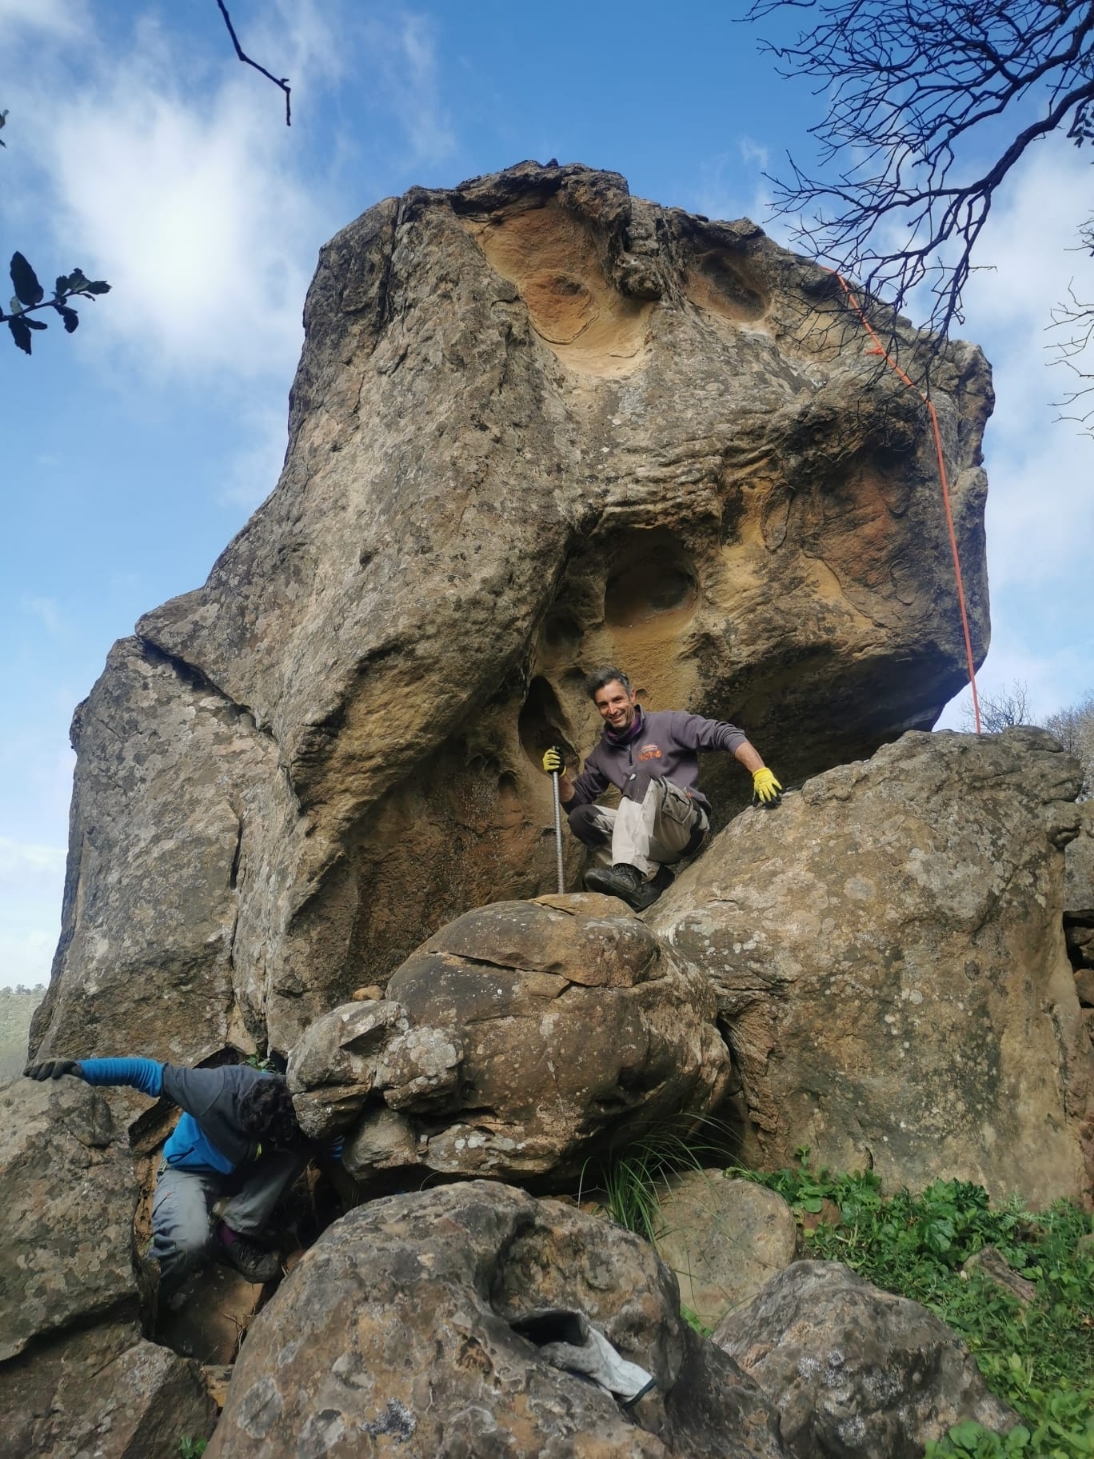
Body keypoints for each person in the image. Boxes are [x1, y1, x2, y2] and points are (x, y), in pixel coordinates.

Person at [23, 1054, 323, 1291]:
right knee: (188, 1243)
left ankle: (232, 1232)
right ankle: (150, 1297)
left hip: (243, 1171)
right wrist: (82, 1070)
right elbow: (142, 1071)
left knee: (306, 1143)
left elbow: (328, 1136)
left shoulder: (291, 1099)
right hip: (190, 1171)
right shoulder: (210, 1093)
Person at [542, 666, 782, 911]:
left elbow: (725, 733)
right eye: (603, 705)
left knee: (640, 777)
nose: (612, 710)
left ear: (631, 696)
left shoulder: (668, 724)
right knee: (580, 819)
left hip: (687, 828)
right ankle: (653, 878)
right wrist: (560, 776)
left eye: (617, 699)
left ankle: (627, 874)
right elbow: (576, 801)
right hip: (652, 844)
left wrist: (759, 772)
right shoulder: (601, 755)